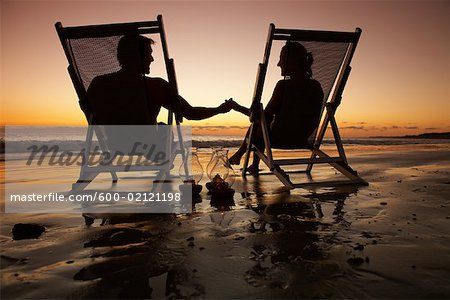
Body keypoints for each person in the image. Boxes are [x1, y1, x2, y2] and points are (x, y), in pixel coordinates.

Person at [87, 35, 233, 125]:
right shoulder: (156, 86)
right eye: (149, 54)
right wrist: (219, 109)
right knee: (164, 129)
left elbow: (90, 114)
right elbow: (190, 113)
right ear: (137, 56)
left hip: (111, 148)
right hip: (149, 149)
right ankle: (164, 168)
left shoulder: (97, 84)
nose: (152, 58)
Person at [228, 41, 324, 175]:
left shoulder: (283, 86)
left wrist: (237, 107)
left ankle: (240, 154)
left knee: (259, 125)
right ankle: (253, 164)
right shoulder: (317, 86)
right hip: (303, 138)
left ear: (292, 61)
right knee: (262, 126)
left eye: (282, 59)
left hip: (282, 138)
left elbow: (263, 117)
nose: (278, 63)